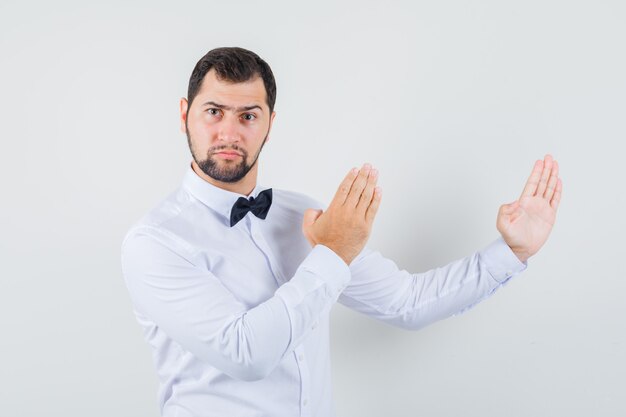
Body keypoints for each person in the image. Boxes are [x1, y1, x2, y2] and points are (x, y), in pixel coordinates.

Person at [121, 47, 562, 417]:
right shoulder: (154, 243)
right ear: (185, 114)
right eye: (213, 111)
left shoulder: (303, 214)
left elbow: (406, 301)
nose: (229, 132)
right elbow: (246, 353)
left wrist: (511, 251)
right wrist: (331, 253)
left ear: (270, 124)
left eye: (248, 116)